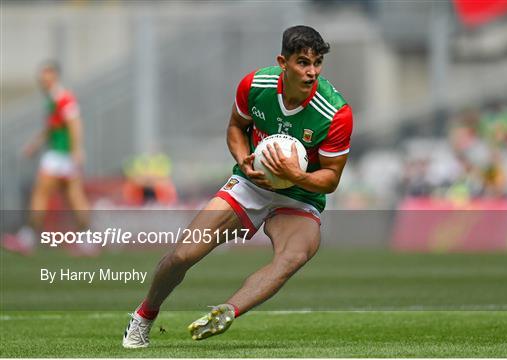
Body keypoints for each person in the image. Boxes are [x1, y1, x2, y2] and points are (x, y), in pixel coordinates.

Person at [122, 25, 354, 348]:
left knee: (294, 256)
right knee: (181, 255)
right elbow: (236, 127)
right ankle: (143, 317)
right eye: (303, 62)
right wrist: (244, 158)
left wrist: (294, 175)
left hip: (301, 196)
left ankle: (228, 310)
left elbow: (330, 178)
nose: (311, 72)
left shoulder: (335, 112)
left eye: (317, 63)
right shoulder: (254, 85)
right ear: (282, 62)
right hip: (251, 183)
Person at [2, 61, 90, 255]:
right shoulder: (53, 99)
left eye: (46, 77)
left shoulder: (63, 98)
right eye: (41, 78)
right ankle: (86, 240)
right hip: (62, 155)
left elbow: (75, 123)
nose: (43, 81)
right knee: (74, 197)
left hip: (60, 155)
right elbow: (52, 127)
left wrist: (77, 149)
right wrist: (34, 144)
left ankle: (28, 238)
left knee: (41, 193)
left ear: (55, 77)